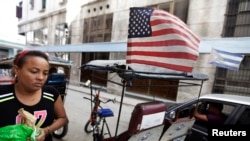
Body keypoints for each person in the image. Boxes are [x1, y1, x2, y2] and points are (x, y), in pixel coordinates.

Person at [0, 50, 69, 141]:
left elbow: (63, 118)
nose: (41, 77)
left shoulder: (52, 94)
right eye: (34, 71)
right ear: (17, 70)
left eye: (45, 73)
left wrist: (45, 131)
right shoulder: (2, 94)